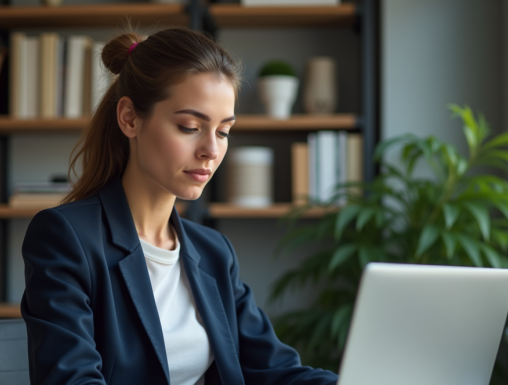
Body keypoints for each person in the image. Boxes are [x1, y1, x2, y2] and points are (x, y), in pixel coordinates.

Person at [20, 27, 339, 385]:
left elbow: (276, 370)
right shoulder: (66, 238)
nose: (211, 150)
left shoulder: (214, 252)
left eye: (223, 132)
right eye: (190, 127)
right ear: (129, 118)